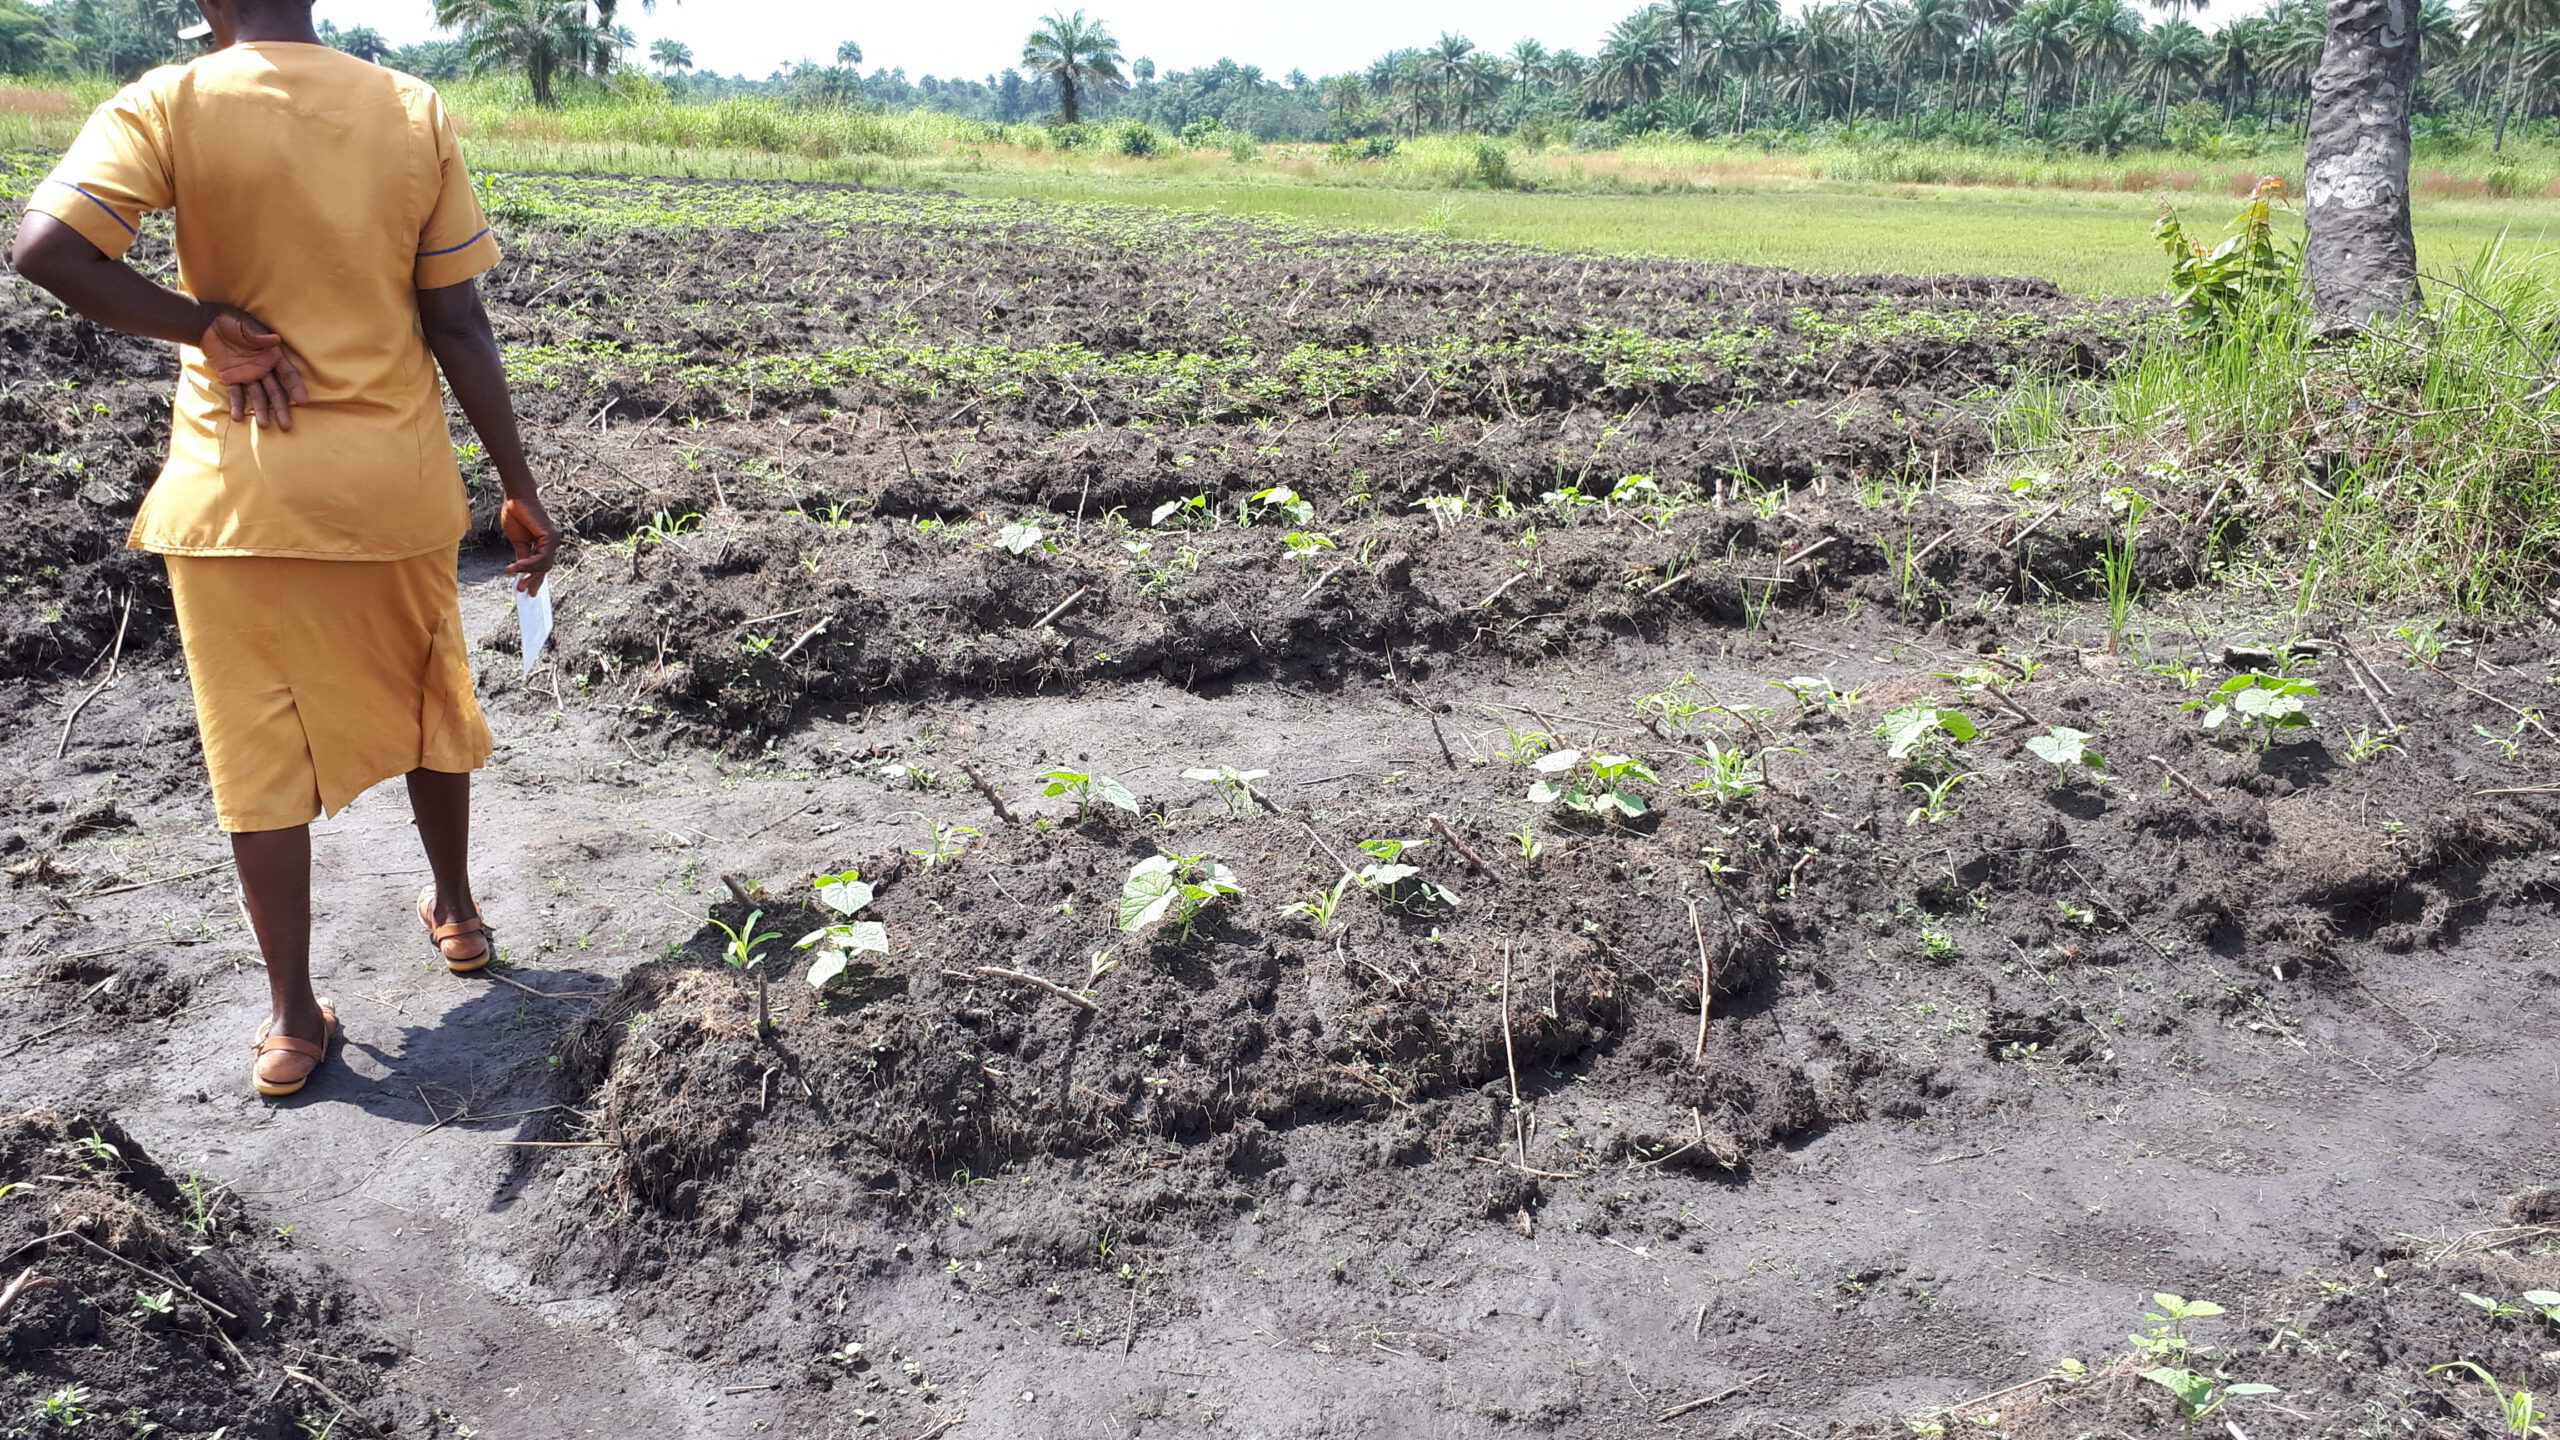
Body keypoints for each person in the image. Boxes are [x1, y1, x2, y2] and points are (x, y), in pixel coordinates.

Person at [11, 0, 561, 1098]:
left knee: (256, 752)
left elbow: (47, 249)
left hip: (239, 490)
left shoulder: (167, 101)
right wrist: (518, 483)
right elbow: (456, 319)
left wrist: (201, 325)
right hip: (391, 481)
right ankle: (457, 913)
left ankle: (292, 1022)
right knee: (428, 694)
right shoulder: (407, 107)